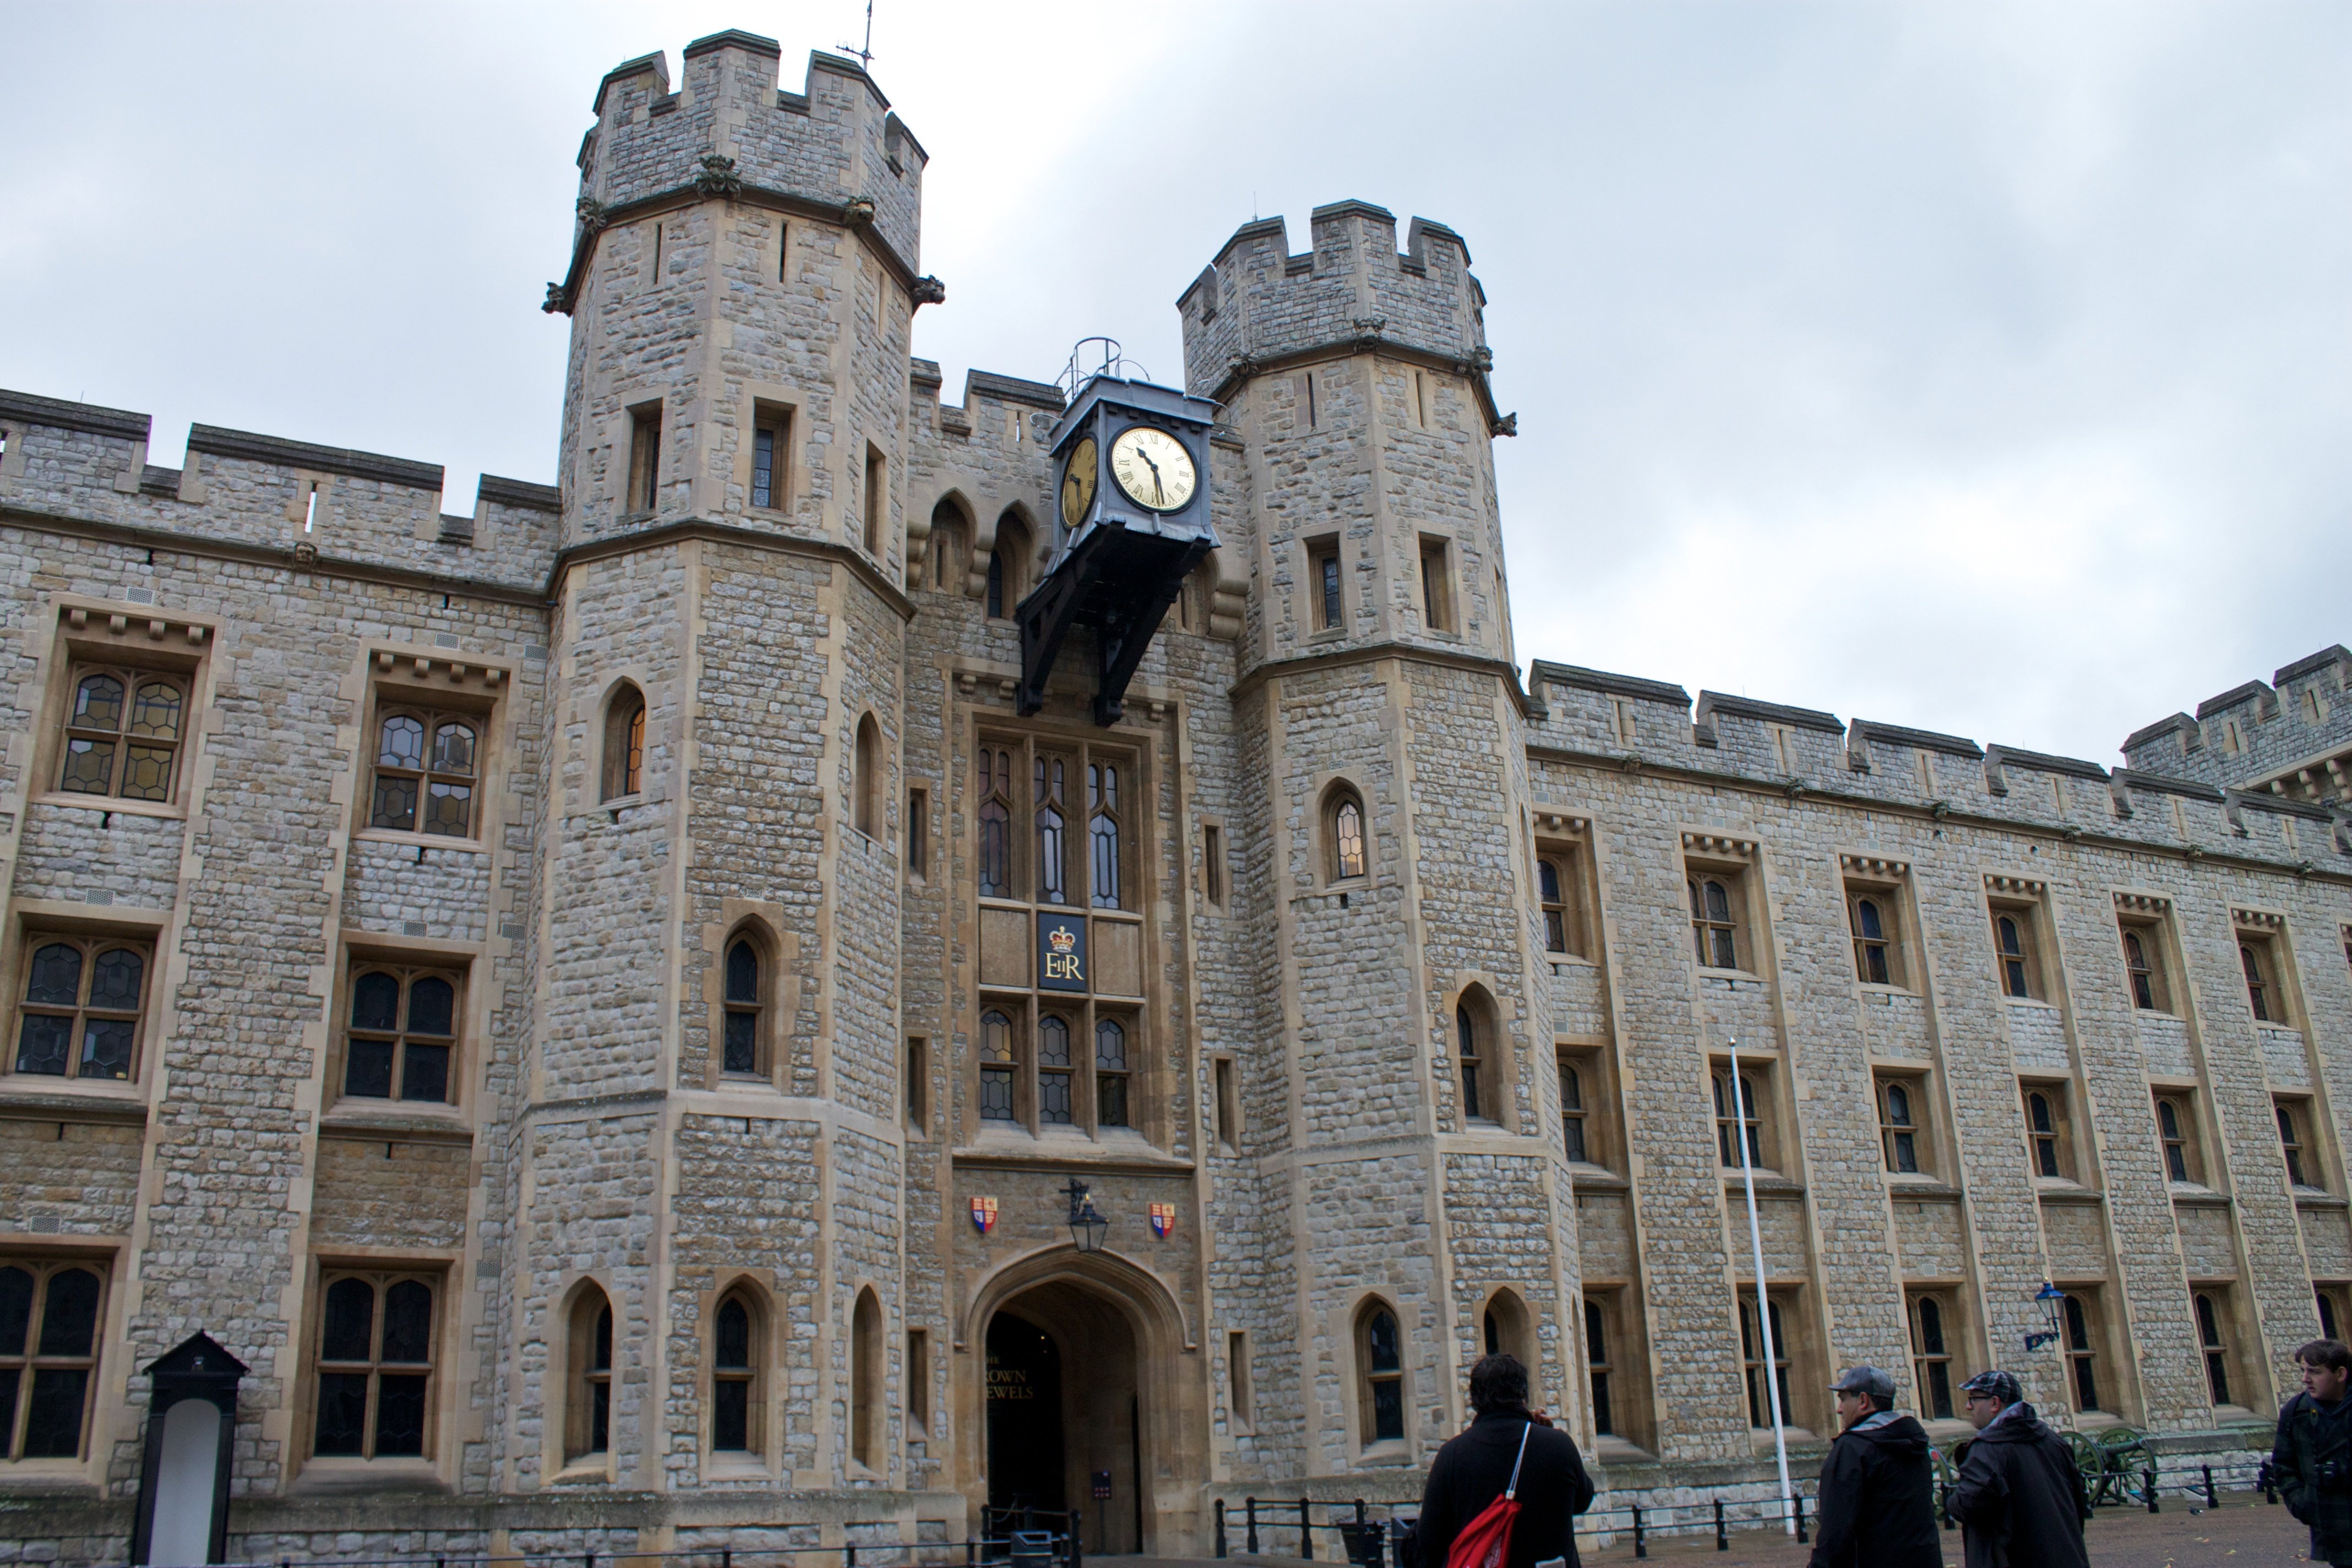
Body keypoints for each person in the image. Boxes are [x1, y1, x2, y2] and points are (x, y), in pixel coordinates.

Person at [1415, 1353, 1595, 1568]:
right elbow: (1582, 1501)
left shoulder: (1452, 1455)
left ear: (1475, 1399)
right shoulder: (1559, 1445)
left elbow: (1429, 1538)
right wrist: (1546, 1435)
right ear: (1522, 1394)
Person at [1946, 1369, 2088, 1568]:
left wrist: (1951, 1501)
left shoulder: (1987, 1450)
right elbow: (2078, 1503)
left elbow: (1968, 1505)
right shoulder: (2055, 1442)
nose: (1968, 1406)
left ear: (1995, 1403)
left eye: (1974, 1399)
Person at [1806, 1365, 1939, 1568]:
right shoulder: (1916, 1444)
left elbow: (1836, 1530)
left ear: (1863, 1401)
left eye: (1843, 1399)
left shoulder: (1853, 1448)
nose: (1839, 1409)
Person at [2271, 1337, 2352, 1565]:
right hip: (2331, 1525)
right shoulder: (2296, 1411)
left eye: (2314, 1372)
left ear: (2340, 1374)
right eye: (2303, 1371)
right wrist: (2304, 1504)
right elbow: (2283, 1466)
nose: (2305, 1379)